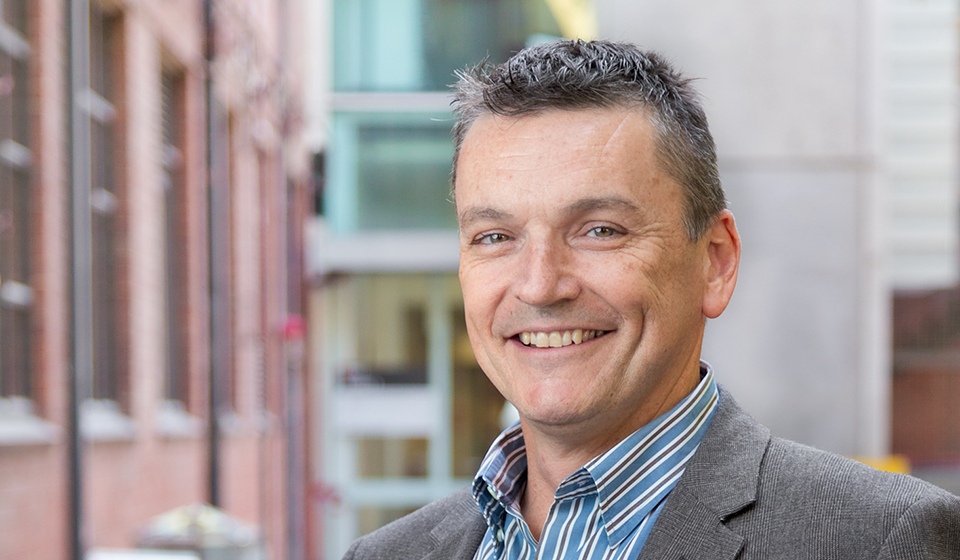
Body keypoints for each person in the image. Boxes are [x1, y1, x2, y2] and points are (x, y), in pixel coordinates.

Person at [343, 40, 960, 560]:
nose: (538, 285)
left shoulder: (881, 540)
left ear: (715, 260)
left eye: (599, 230)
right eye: (495, 237)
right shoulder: (385, 555)